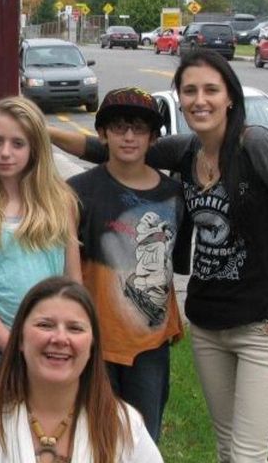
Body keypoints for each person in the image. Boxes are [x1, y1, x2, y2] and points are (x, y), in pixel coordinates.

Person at [50, 49, 268, 462]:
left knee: (249, 455)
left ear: (230, 96)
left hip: (261, 325)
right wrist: (38, 128)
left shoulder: (256, 145)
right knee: (227, 446)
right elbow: (102, 148)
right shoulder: (185, 151)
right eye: (190, 90)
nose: (200, 100)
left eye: (211, 90)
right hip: (208, 323)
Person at [66, 88, 187, 443]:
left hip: (149, 344)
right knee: (93, 436)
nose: (129, 136)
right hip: (96, 338)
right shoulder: (77, 192)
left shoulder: (174, 195)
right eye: (119, 127)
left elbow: (172, 267)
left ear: (153, 137)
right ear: (102, 134)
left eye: (138, 128)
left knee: (143, 438)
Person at [0, 276, 162, 463]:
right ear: (19, 338)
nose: (59, 338)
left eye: (75, 328)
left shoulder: (123, 425)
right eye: (45, 325)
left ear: (92, 345)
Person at [0, 96, 82, 399]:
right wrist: (17, 344)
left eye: (18, 143)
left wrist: (65, 335)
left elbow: (73, 281)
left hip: (53, 345)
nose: (5, 153)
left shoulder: (61, 203)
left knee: (48, 437)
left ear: (35, 147)